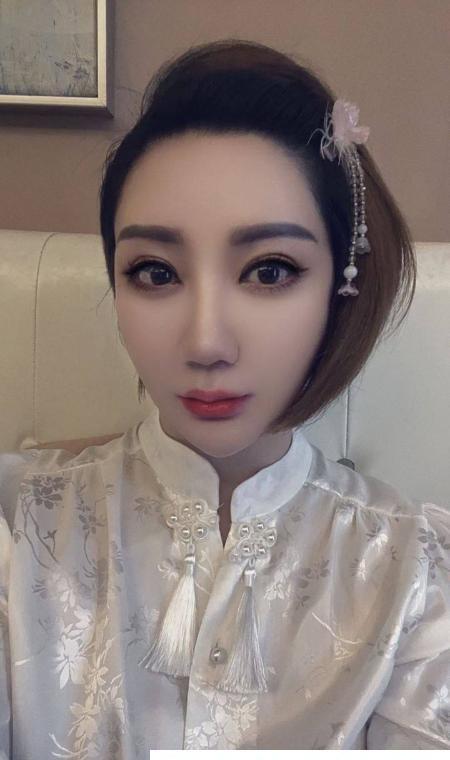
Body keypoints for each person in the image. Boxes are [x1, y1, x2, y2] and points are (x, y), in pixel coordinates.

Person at [1, 39, 449, 756]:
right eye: (155, 272)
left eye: (269, 271)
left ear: (341, 287)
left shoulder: (415, 576)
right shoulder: (18, 530)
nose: (206, 341)